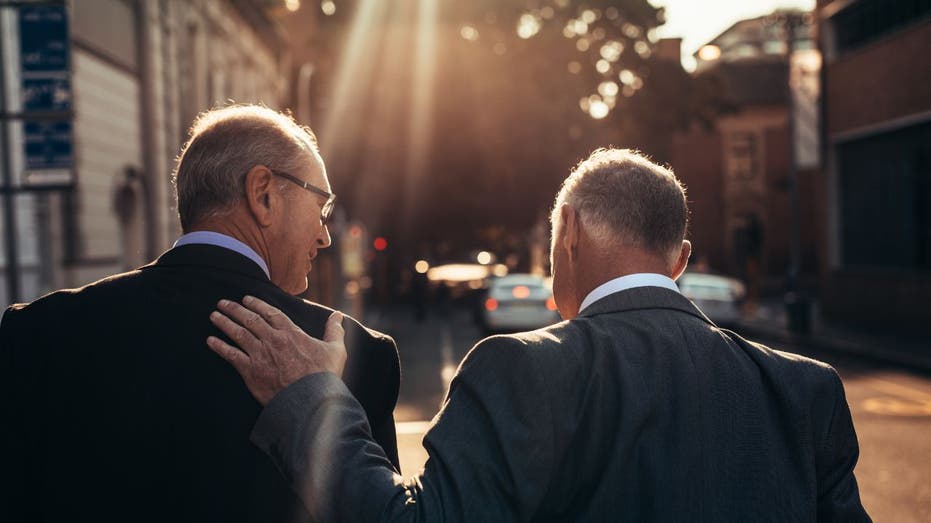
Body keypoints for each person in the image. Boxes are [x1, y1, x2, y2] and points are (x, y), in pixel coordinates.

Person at [208, 148, 870, 522]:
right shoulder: (804, 389)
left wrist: (311, 396)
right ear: (681, 259)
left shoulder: (518, 369)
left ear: (571, 232)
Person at [0, 105, 400, 522]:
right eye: (321, 208)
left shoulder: (38, 330)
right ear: (263, 193)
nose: (324, 235)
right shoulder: (349, 351)